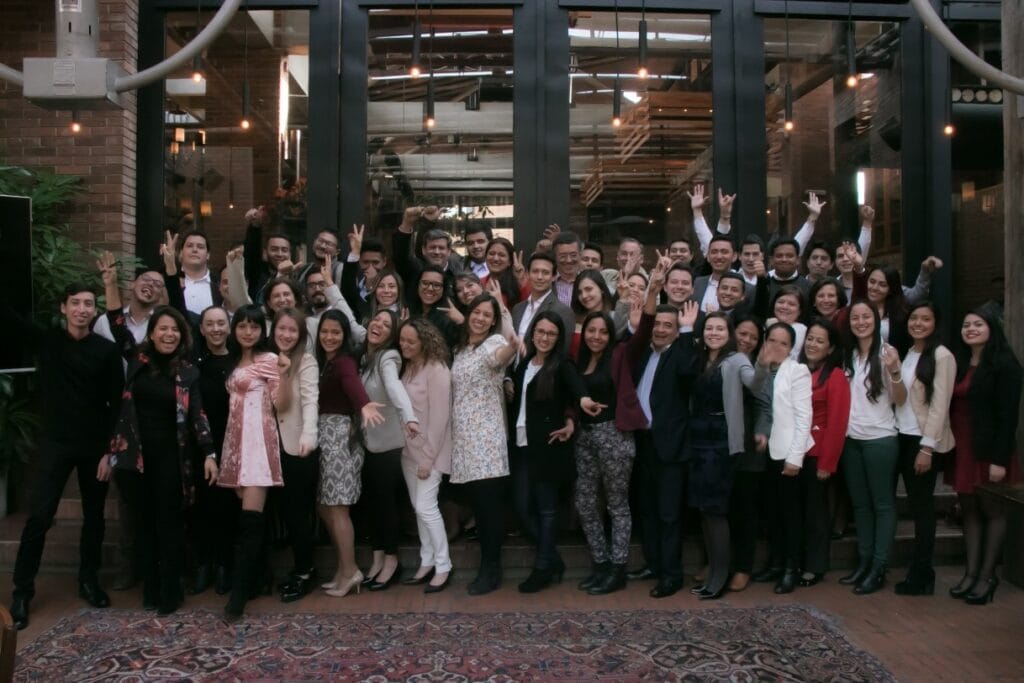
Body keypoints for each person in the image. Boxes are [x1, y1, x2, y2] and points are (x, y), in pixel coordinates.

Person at [6, 284, 123, 631]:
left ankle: (89, 580)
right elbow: (10, 318)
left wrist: (109, 452)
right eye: (75, 303)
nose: (82, 309)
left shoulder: (106, 351)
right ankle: (22, 592)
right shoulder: (48, 342)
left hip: (93, 446)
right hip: (55, 444)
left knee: (94, 517)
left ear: (95, 311)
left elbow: (117, 405)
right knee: (40, 515)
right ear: (63, 308)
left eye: (89, 304)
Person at [99, 306, 218, 616]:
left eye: (175, 329)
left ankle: (170, 589)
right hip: (132, 458)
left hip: (171, 458)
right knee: (142, 524)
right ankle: (150, 586)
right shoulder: (137, 360)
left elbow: (198, 414)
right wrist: (111, 287)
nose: (169, 334)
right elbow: (118, 327)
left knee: (169, 524)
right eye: (162, 328)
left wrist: (208, 453)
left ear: (182, 335)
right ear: (151, 333)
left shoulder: (188, 371)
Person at [574, 256, 666, 595]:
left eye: (602, 331)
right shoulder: (580, 360)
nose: (596, 336)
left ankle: (617, 568)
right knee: (584, 502)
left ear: (610, 334)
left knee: (616, 504)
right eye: (591, 331)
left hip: (614, 434)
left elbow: (644, 328)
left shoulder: (622, 353)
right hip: (584, 437)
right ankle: (599, 562)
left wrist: (652, 290)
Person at [217, 305, 290, 620]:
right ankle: (260, 578)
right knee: (242, 521)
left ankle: (239, 595)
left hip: (258, 444)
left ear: (263, 331)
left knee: (250, 521)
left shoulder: (269, 361)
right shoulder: (235, 361)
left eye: (255, 327)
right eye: (243, 326)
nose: (248, 332)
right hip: (235, 442)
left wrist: (283, 375)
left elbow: (281, 404)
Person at [946, 305, 1022, 605]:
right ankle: (971, 572)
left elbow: (1008, 418)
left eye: (978, 324)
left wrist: (999, 461)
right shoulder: (962, 362)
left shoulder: (1005, 365)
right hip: (963, 448)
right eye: (966, 325)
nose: (971, 329)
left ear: (992, 328)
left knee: (993, 512)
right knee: (970, 512)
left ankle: (987, 577)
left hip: (990, 452)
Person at [687, 312, 766, 599]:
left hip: (721, 442)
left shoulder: (738, 360)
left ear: (729, 333)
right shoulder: (698, 358)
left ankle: (720, 579)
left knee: (716, 510)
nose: (714, 333)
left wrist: (765, 363)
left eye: (720, 328)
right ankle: (713, 572)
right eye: (709, 328)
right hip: (697, 438)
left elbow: (755, 384)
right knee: (704, 511)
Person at [628, 301, 700, 598]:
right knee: (647, 510)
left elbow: (688, 371)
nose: (660, 330)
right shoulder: (644, 353)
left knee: (669, 515)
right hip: (642, 444)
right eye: (657, 324)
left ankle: (672, 575)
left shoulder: (681, 354)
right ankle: (654, 564)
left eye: (668, 326)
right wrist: (636, 327)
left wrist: (686, 331)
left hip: (670, 449)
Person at [509, 312, 585, 593]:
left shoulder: (562, 365)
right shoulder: (525, 363)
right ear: (532, 333)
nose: (544, 337)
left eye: (551, 333)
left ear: (559, 338)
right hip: (521, 445)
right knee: (521, 506)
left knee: (547, 510)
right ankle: (553, 558)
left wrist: (573, 416)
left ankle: (542, 567)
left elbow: (577, 391)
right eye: (540, 332)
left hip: (549, 447)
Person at [450, 294, 520, 595]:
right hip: (464, 440)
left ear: (493, 321)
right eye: (475, 313)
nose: (479, 318)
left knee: (489, 510)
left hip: (487, 440)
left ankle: (491, 570)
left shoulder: (493, 344)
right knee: (479, 507)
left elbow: (498, 358)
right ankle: (488, 566)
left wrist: (512, 341)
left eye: (486, 315)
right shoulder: (461, 349)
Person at [315, 311, 384, 598]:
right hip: (325, 437)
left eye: (336, 332)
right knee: (324, 506)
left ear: (344, 336)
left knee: (338, 508)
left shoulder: (343, 362)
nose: (329, 337)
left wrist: (364, 405)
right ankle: (343, 570)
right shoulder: (325, 362)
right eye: (325, 332)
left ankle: (351, 569)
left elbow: (352, 383)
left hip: (338, 439)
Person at [839, 301, 905, 595]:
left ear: (876, 320)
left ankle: (879, 566)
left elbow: (900, 398)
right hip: (851, 439)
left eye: (867, 316)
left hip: (880, 439)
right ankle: (864, 562)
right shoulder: (848, 354)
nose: (861, 321)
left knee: (882, 504)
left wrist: (894, 371)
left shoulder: (887, 353)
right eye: (855, 317)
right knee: (861, 506)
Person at [893, 302, 956, 596]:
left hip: (922, 440)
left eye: (926, 319)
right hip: (902, 435)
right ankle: (919, 571)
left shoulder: (942, 356)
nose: (918, 323)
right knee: (918, 505)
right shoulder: (908, 353)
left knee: (922, 507)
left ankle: (922, 573)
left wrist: (927, 448)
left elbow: (940, 406)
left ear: (935, 323)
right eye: (914, 318)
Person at [359, 309, 420, 591]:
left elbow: (395, 388)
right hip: (368, 444)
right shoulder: (365, 352)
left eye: (386, 325)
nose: (379, 326)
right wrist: (333, 287)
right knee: (371, 505)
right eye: (376, 320)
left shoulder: (388, 357)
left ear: (392, 335)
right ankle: (378, 556)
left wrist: (408, 416)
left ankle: (392, 561)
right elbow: (348, 319)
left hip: (389, 445)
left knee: (385, 506)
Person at [750, 323, 814, 595]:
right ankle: (775, 563)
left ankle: (792, 567)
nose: (776, 347)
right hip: (766, 454)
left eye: (783, 343)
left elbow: (804, 417)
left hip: (790, 454)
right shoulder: (761, 368)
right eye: (772, 340)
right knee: (772, 513)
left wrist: (795, 458)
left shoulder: (797, 371)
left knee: (790, 515)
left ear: (791, 348)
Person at [268, 308, 321, 603]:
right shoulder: (265, 359)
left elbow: (311, 402)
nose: (286, 335)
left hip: (297, 446)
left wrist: (309, 436)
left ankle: (305, 569)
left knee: (297, 513)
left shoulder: (307, 361)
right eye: (282, 329)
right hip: (266, 446)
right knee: (278, 513)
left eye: (293, 331)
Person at [398, 319, 454, 593]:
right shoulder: (408, 367)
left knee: (426, 507)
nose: (405, 345)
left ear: (425, 341)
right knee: (418, 509)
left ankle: (443, 565)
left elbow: (440, 418)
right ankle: (427, 559)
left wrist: (428, 458)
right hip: (409, 451)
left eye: (411, 341)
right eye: (402, 340)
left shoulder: (437, 369)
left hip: (432, 450)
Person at [794, 319, 850, 587]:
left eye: (819, 341)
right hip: (794, 453)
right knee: (799, 511)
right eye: (810, 339)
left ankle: (815, 566)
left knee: (816, 514)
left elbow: (838, 422)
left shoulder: (835, 376)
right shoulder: (799, 370)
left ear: (830, 349)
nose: (813, 344)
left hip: (818, 454)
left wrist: (827, 463)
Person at [191, 305, 239, 596]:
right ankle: (204, 565)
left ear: (229, 327)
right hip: (200, 444)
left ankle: (224, 566)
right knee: (201, 508)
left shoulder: (238, 362)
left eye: (221, 323)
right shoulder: (194, 362)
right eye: (210, 324)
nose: (216, 329)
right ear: (201, 329)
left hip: (232, 442)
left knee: (226, 508)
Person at [726, 313, 765, 592]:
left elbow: (765, 405)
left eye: (753, 337)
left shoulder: (758, 368)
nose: (747, 340)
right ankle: (718, 562)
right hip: (719, 447)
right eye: (743, 333)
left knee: (745, 511)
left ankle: (743, 567)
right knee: (719, 509)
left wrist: (763, 429)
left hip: (749, 449)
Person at [511, 252, 575, 355]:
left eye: (545, 272)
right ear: (527, 274)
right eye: (535, 271)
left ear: (554, 277)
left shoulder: (563, 311)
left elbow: (562, 352)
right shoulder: (517, 309)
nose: (539, 277)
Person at [410, 266, 463, 349]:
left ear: (443, 289)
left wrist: (462, 322)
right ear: (418, 284)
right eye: (425, 283)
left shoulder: (449, 317)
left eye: (436, 285)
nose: (430, 288)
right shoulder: (409, 309)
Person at [176, 230, 223, 315]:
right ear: (181, 253)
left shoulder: (219, 283)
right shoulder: (171, 281)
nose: (194, 250)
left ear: (208, 255)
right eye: (189, 246)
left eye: (200, 247)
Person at [481, 236, 521, 308]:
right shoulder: (479, 282)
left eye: (501, 255)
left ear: (509, 262)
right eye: (492, 253)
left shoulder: (518, 284)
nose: (495, 258)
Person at [551, 230, 584, 307]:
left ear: (580, 255)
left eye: (573, 255)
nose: (569, 260)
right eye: (563, 256)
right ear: (555, 257)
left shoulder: (588, 280)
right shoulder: (548, 282)